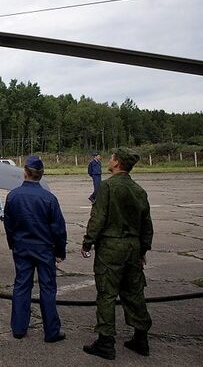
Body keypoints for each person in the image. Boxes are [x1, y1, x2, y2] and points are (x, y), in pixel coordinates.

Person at [81, 147, 153, 360]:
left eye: (111, 158)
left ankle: (105, 342)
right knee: (134, 292)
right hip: (133, 247)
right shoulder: (138, 190)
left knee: (107, 293)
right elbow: (146, 224)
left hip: (111, 248)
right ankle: (141, 339)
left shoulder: (107, 187)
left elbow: (98, 218)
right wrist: (143, 249)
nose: (108, 160)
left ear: (117, 162)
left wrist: (87, 243)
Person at [4, 155, 67, 343]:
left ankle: (18, 328)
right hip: (44, 249)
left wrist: (13, 244)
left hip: (22, 248)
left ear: (25, 172)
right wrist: (60, 252)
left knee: (22, 286)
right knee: (48, 288)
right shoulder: (49, 198)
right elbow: (59, 229)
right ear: (41, 175)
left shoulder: (13, 196)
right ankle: (51, 332)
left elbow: (9, 224)